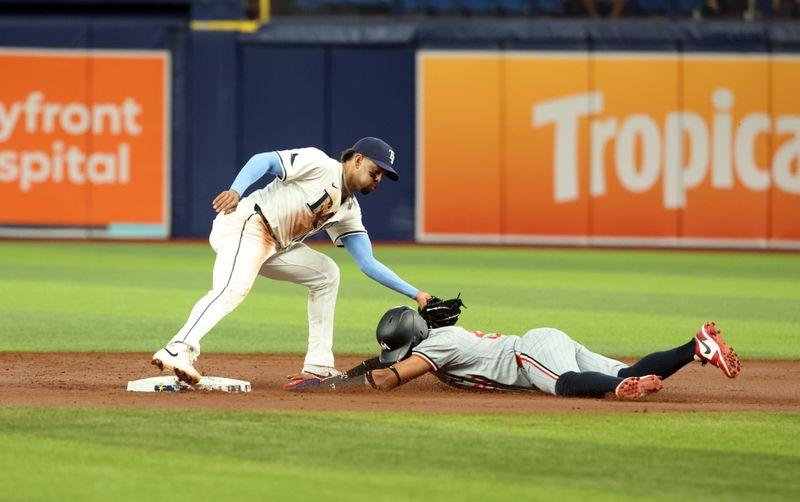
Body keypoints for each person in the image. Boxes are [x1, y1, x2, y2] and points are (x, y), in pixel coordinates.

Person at [152, 138, 432, 384]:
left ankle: (319, 364)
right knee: (232, 289)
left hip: (276, 244)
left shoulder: (348, 210)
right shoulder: (320, 164)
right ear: (357, 160)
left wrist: (417, 294)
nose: (378, 178)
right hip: (248, 222)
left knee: (327, 274)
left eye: (383, 175)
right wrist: (236, 191)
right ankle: (178, 347)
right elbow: (264, 161)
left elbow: (368, 263)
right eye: (375, 171)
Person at [287, 306, 741, 400]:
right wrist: (333, 377)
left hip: (531, 353)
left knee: (564, 386)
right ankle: (694, 345)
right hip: (544, 342)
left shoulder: (440, 343)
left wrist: (321, 388)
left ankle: (620, 389)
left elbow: (388, 378)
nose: (398, 357)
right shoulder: (437, 336)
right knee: (630, 366)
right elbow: (379, 364)